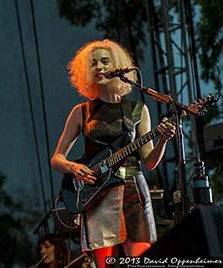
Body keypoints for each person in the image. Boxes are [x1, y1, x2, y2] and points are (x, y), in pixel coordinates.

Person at [50, 39, 175, 268]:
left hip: (132, 190)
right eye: (93, 63)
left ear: (117, 65)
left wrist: (163, 141)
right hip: (98, 194)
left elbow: (149, 162)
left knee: (142, 260)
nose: (98, 67)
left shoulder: (138, 110)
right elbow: (57, 158)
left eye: (104, 61)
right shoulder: (81, 112)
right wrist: (74, 167)